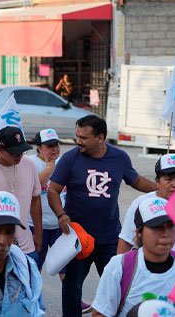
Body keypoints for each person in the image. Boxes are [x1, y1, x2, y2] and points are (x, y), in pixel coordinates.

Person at [48, 115, 158, 317]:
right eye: (77, 136)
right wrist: (61, 214)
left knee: (118, 285)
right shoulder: (70, 158)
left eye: (83, 137)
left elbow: (135, 180)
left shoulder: (119, 158)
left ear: (100, 138)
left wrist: (160, 190)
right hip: (78, 240)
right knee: (72, 289)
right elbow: (53, 190)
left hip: (109, 238)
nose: (78, 141)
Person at [91, 196, 175, 317]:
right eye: (156, 227)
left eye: (170, 225)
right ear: (139, 232)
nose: (165, 234)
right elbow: (100, 314)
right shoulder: (119, 267)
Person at [0, 126, 42, 264]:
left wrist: (39, 234)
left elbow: (36, 199)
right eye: (14, 153)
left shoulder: (29, 164)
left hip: (26, 246)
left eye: (22, 152)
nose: (19, 156)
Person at [118, 154, 175, 254]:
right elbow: (126, 240)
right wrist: (121, 267)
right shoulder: (141, 204)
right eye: (169, 179)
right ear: (157, 181)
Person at [28, 128, 65, 273]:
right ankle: (33, 296)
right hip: (36, 226)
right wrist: (49, 169)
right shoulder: (30, 162)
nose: (55, 149)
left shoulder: (63, 162)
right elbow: (32, 188)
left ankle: (71, 297)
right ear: (39, 147)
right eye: (50, 146)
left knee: (65, 268)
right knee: (34, 267)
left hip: (59, 225)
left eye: (56, 145)